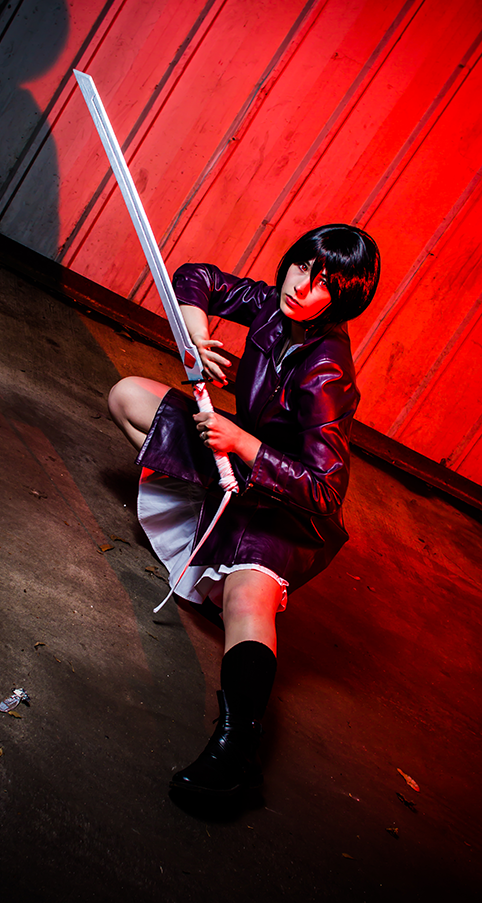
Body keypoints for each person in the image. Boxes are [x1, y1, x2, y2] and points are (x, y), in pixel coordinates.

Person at [108, 224, 380, 797]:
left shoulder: (328, 372)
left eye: (324, 284)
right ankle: (211, 533)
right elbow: (196, 277)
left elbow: (325, 490)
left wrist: (243, 442)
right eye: (302, 267)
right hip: (236, 461)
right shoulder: (273, 304)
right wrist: (197, 333)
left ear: (343, 302)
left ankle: (237, 754)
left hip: (285, 506)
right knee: (128, 395)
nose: (302, 287)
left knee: (245, 601)